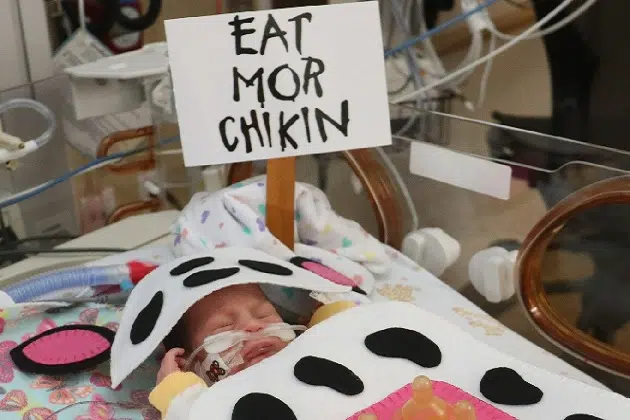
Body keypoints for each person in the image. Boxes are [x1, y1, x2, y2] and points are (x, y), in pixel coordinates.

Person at [148, 282, 356, 418]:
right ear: (192, 367)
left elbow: (356, 347)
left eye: (264, 314)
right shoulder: (221, 404)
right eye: (223, 328)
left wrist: (331, 320)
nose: (253, 326)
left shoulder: (314, 354)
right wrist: (176, 394)